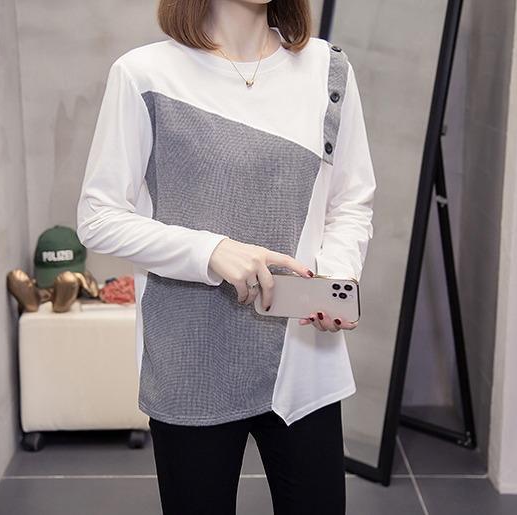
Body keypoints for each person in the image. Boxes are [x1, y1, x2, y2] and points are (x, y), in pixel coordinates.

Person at [76, 0, 376, 513]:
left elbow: (351, 201)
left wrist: (335, 278)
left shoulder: (328, 70)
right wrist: (209, 250)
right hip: (191, 358)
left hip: (301, 361)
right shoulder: (143, 74)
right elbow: (98, 216)